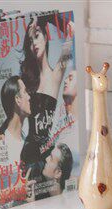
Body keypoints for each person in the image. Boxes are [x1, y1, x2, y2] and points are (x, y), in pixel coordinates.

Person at [19, 12, 74, 165]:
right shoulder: (27, 80)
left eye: (37, 36)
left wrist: (44, 18)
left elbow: (71, 28)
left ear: (46, 37)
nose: (34, 44)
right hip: (27, 153)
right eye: (30, 41)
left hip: (45, 154)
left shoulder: (56, 74)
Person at [0, 76, 31, 167]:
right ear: (17, 99)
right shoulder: (1, 143)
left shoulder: (25, 141)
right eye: (25, 92)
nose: (29, 97)